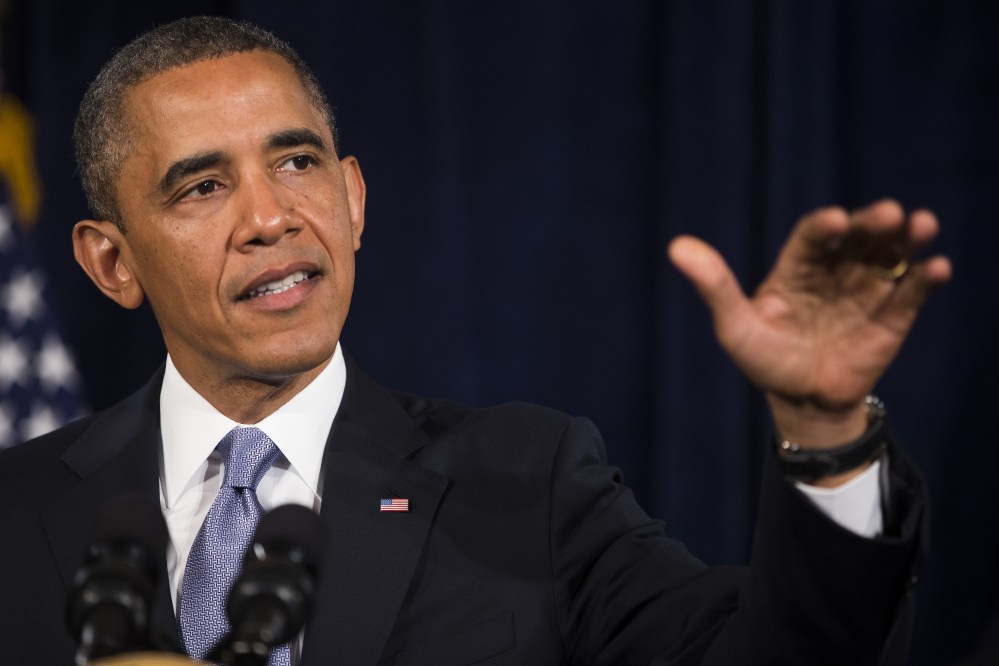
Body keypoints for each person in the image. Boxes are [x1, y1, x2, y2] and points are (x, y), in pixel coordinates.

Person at [0, 15, 950, 665]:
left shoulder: (528, 482)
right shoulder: (17, 512)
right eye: (204, 187)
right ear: (111, 262)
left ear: (353, 200)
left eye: (296, 161)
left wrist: (826, 434)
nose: (271, 218)